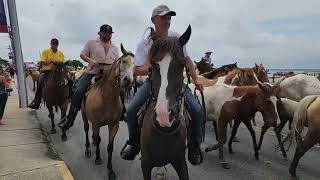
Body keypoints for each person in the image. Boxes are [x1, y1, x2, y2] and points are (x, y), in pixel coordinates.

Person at [120, 4, 204, 165]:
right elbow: (137, 70)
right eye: (163, 17)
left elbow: (187, 60)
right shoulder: (144, 44)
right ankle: (134, 143)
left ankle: (194, 146)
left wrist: (196, 78)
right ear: (153, 20)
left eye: (169, 18)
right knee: (131, 110)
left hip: (175, 83)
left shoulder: (176, 38)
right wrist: (155, 65)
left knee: (197, 110)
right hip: (154, 82)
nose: (167, 21)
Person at [59, 24, 120, 130]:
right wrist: (91, 61)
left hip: (108, 75)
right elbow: (82, 55)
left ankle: (121, 113)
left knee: (120, 91)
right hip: (92, 73)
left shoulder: (115, 48)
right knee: (79, 90)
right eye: (105, 33)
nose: (107, 35)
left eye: (109, 33)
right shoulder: (91, 43)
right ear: (100, 33)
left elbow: (117, 62)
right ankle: (70, 118)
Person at [28, 38, 65, 109]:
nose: (54, 45)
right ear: (51, 44)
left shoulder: (61, 53)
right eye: (53, 44)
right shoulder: (45, 52)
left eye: (56, 44)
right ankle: (37, 102)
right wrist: (51, 61)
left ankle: (69, 96)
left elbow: (61, 62)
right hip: (48, 72)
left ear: (58, 45)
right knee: (40, 83)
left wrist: (56, 62)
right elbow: (43, 62)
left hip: (58, 72)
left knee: (68, 81)